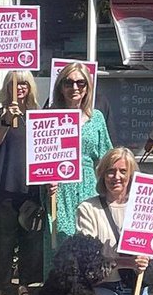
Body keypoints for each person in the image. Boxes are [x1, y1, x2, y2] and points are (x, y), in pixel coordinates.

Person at [74, 147, 153, 295]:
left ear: (131, 176)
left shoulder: (146, 206)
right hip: (103, 286)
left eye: (122, 171)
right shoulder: (88, 209)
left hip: (135, 290)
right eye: (110, 171)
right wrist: (125, 261)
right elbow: (89, 258)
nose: (116, 177)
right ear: (102, 174)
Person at [0, 71, 43, 295]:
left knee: (30, 239)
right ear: (7, 87)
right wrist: (7, 119)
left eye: (25, 83)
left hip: (31, 187)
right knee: (3, 240)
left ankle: (25, 285)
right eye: (15, 83)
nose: (20, 87)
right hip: (4, 186)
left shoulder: (38, 116)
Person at [44, 62, 112, 271]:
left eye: (81, 83)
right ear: (60, 87)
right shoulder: (48, 117)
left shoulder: (97, 118)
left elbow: (105, 157)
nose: (75, 88)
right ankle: (57, 294)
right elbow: (39, 156)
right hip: (58, 187)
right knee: (61, 240)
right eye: (69, 82)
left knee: (88, 240)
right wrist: (47, 178)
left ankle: (86, 293)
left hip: (88, 185)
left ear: (88, 87)